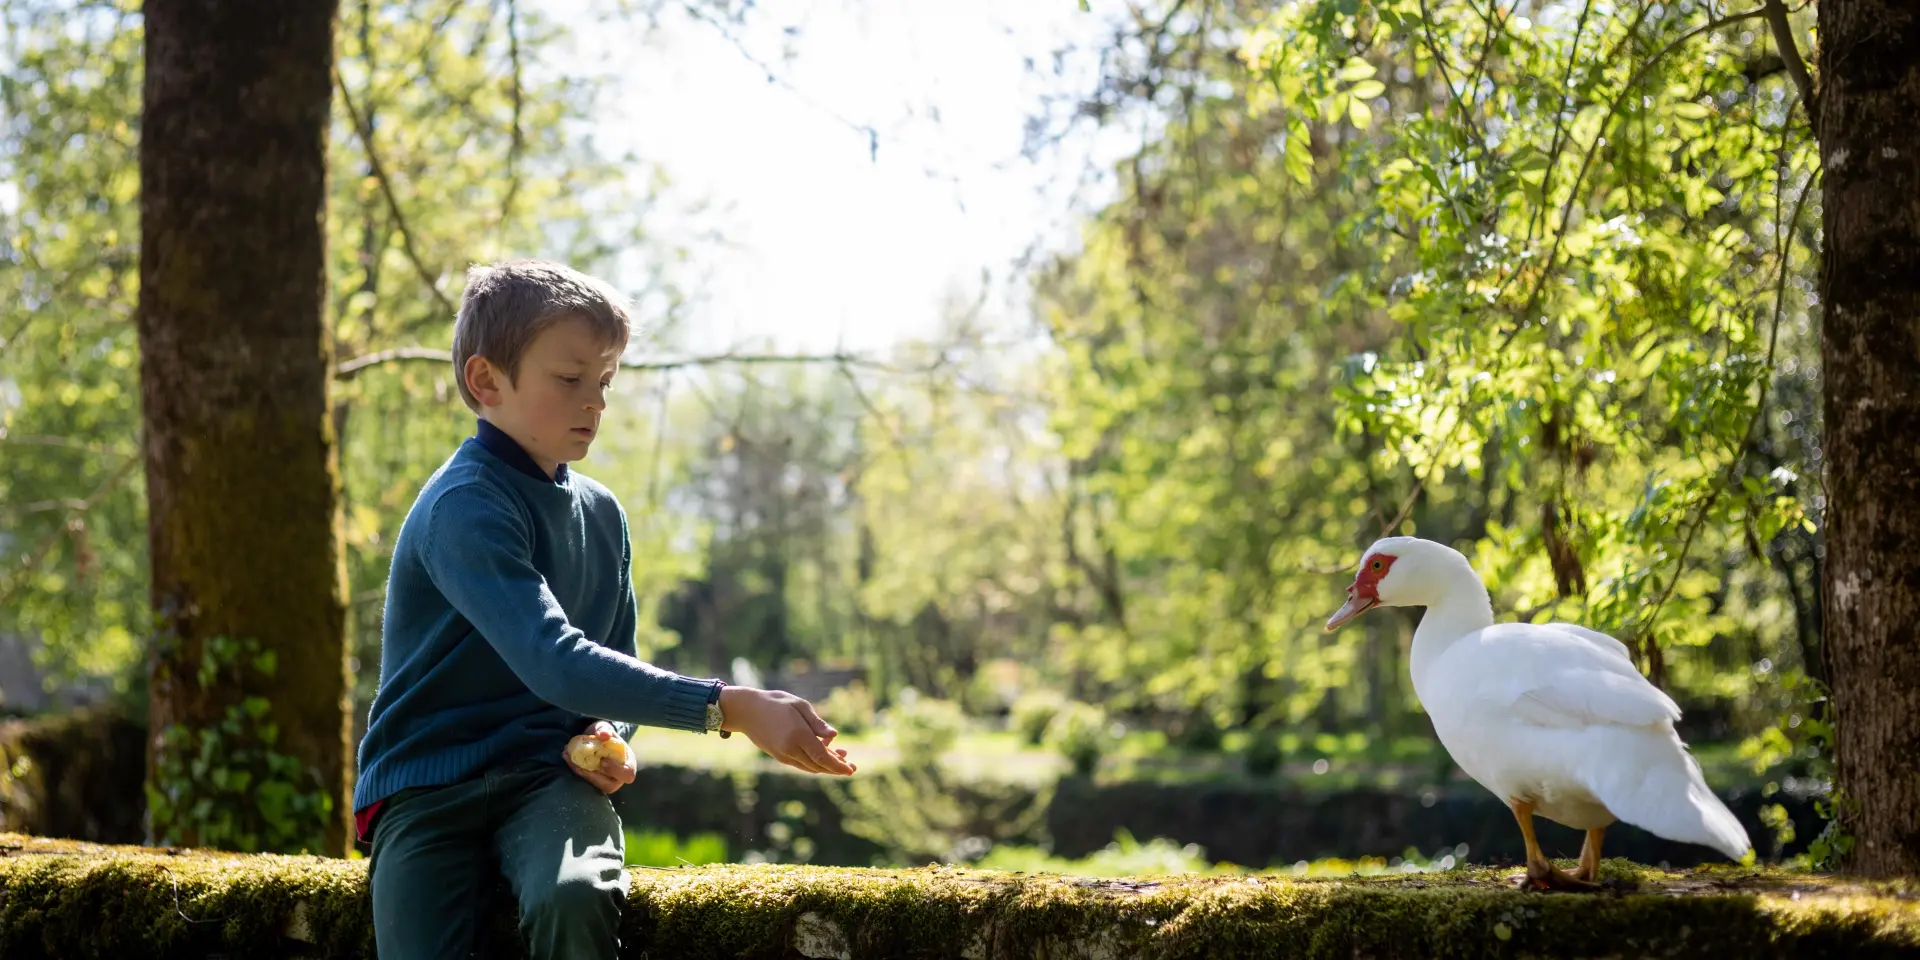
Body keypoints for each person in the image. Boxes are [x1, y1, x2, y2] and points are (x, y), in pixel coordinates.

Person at [353, 259, 856, 959]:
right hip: (427, 788)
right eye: (570, 379)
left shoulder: (603, 516)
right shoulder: (463, 505)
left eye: (606, 381)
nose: (595, 402)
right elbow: (555, 661)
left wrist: (609, 734)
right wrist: (729, 707)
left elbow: (612, 663)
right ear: (486, 381)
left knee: (574, 896)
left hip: (548, 780)